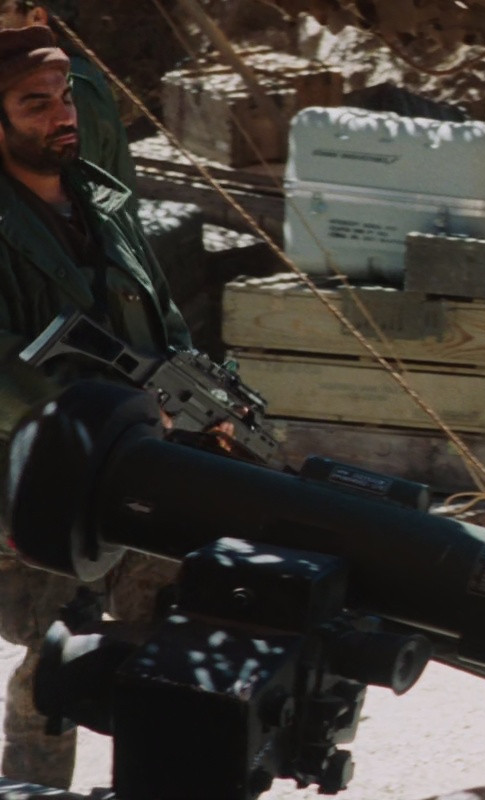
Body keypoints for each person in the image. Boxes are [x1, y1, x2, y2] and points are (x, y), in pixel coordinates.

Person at [0, 25, 185, 788]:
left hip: (137, 471)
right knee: (56, 657)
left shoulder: (103, 201)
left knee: (167, 643)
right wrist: (104, 410)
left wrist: (199, 392)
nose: (61, 115)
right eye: (34, 104)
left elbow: (165, 318)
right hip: (36, 478)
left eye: (65, 97)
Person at [0, 1, 134, 191]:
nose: (65, 116)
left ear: (37, 17)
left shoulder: (71, 84)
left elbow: (75, 188)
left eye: (1, 15)